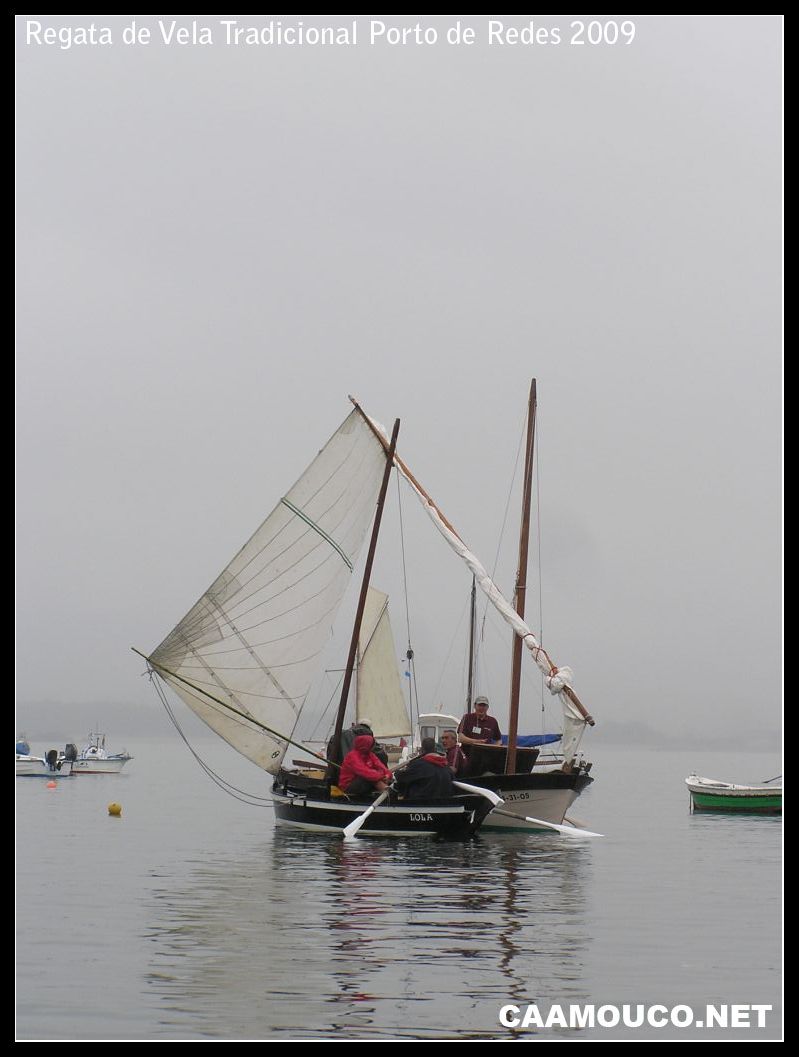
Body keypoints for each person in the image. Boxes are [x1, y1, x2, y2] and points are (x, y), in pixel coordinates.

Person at [338, 734, 393, 798]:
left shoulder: (370, 755)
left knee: (383, 779)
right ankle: (386, 791)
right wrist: (381, 776)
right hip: (348, 786)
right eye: (372, 744)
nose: (373, 746)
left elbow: (382, 767)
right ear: (367, 745)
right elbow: (365, 772)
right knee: (370, 778)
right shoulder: (352, 756)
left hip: (364, 782)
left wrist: (387, 775)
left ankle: (387, 791)